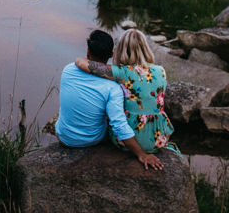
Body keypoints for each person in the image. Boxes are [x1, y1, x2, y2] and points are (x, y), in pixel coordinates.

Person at [55, 30, 164, 170]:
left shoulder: (68, 70)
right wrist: (141, 154)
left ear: (88, 51)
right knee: (110, 116)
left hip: (64, 137)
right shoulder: (113, 87)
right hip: (92, 140)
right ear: (111, 55)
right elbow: (119, 124)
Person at [75, 28, 180, 157]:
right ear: (145, 48)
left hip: (127, 141)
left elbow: (85, 65)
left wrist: (78, 59)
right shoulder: (161, 71)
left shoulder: (121, 72)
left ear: (121, 50)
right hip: (158, 138)